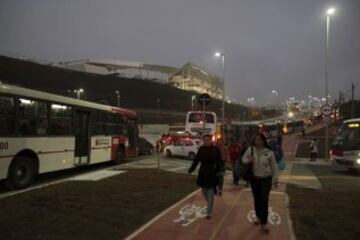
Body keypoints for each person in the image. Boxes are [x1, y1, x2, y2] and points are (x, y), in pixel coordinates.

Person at [242, 133, 278, 234]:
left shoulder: (269, 152)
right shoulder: (251, 150)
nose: (257, 141)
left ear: (263, 141)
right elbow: (243, 159)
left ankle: (264, 222)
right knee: (257, 199)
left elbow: (274, 166)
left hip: (266, 179)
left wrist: (276, 179)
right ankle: (258, 217)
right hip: (255, 179)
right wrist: (249, 160)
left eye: (259, 139)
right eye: (256, 139)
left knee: (264, 199)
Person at [188, 134, 222, 219]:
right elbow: (196, 161)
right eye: (205, 140)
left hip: (212, 174)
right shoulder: (201, 149)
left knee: (210, 193)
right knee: (204, 191)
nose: (206, 141)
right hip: (203, 173)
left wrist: (219, 170)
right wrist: (191, 169)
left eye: (208, 140)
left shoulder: (216, 149)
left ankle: (209, 212)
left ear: (211, 140)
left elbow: (219, 161)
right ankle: (210, 202)